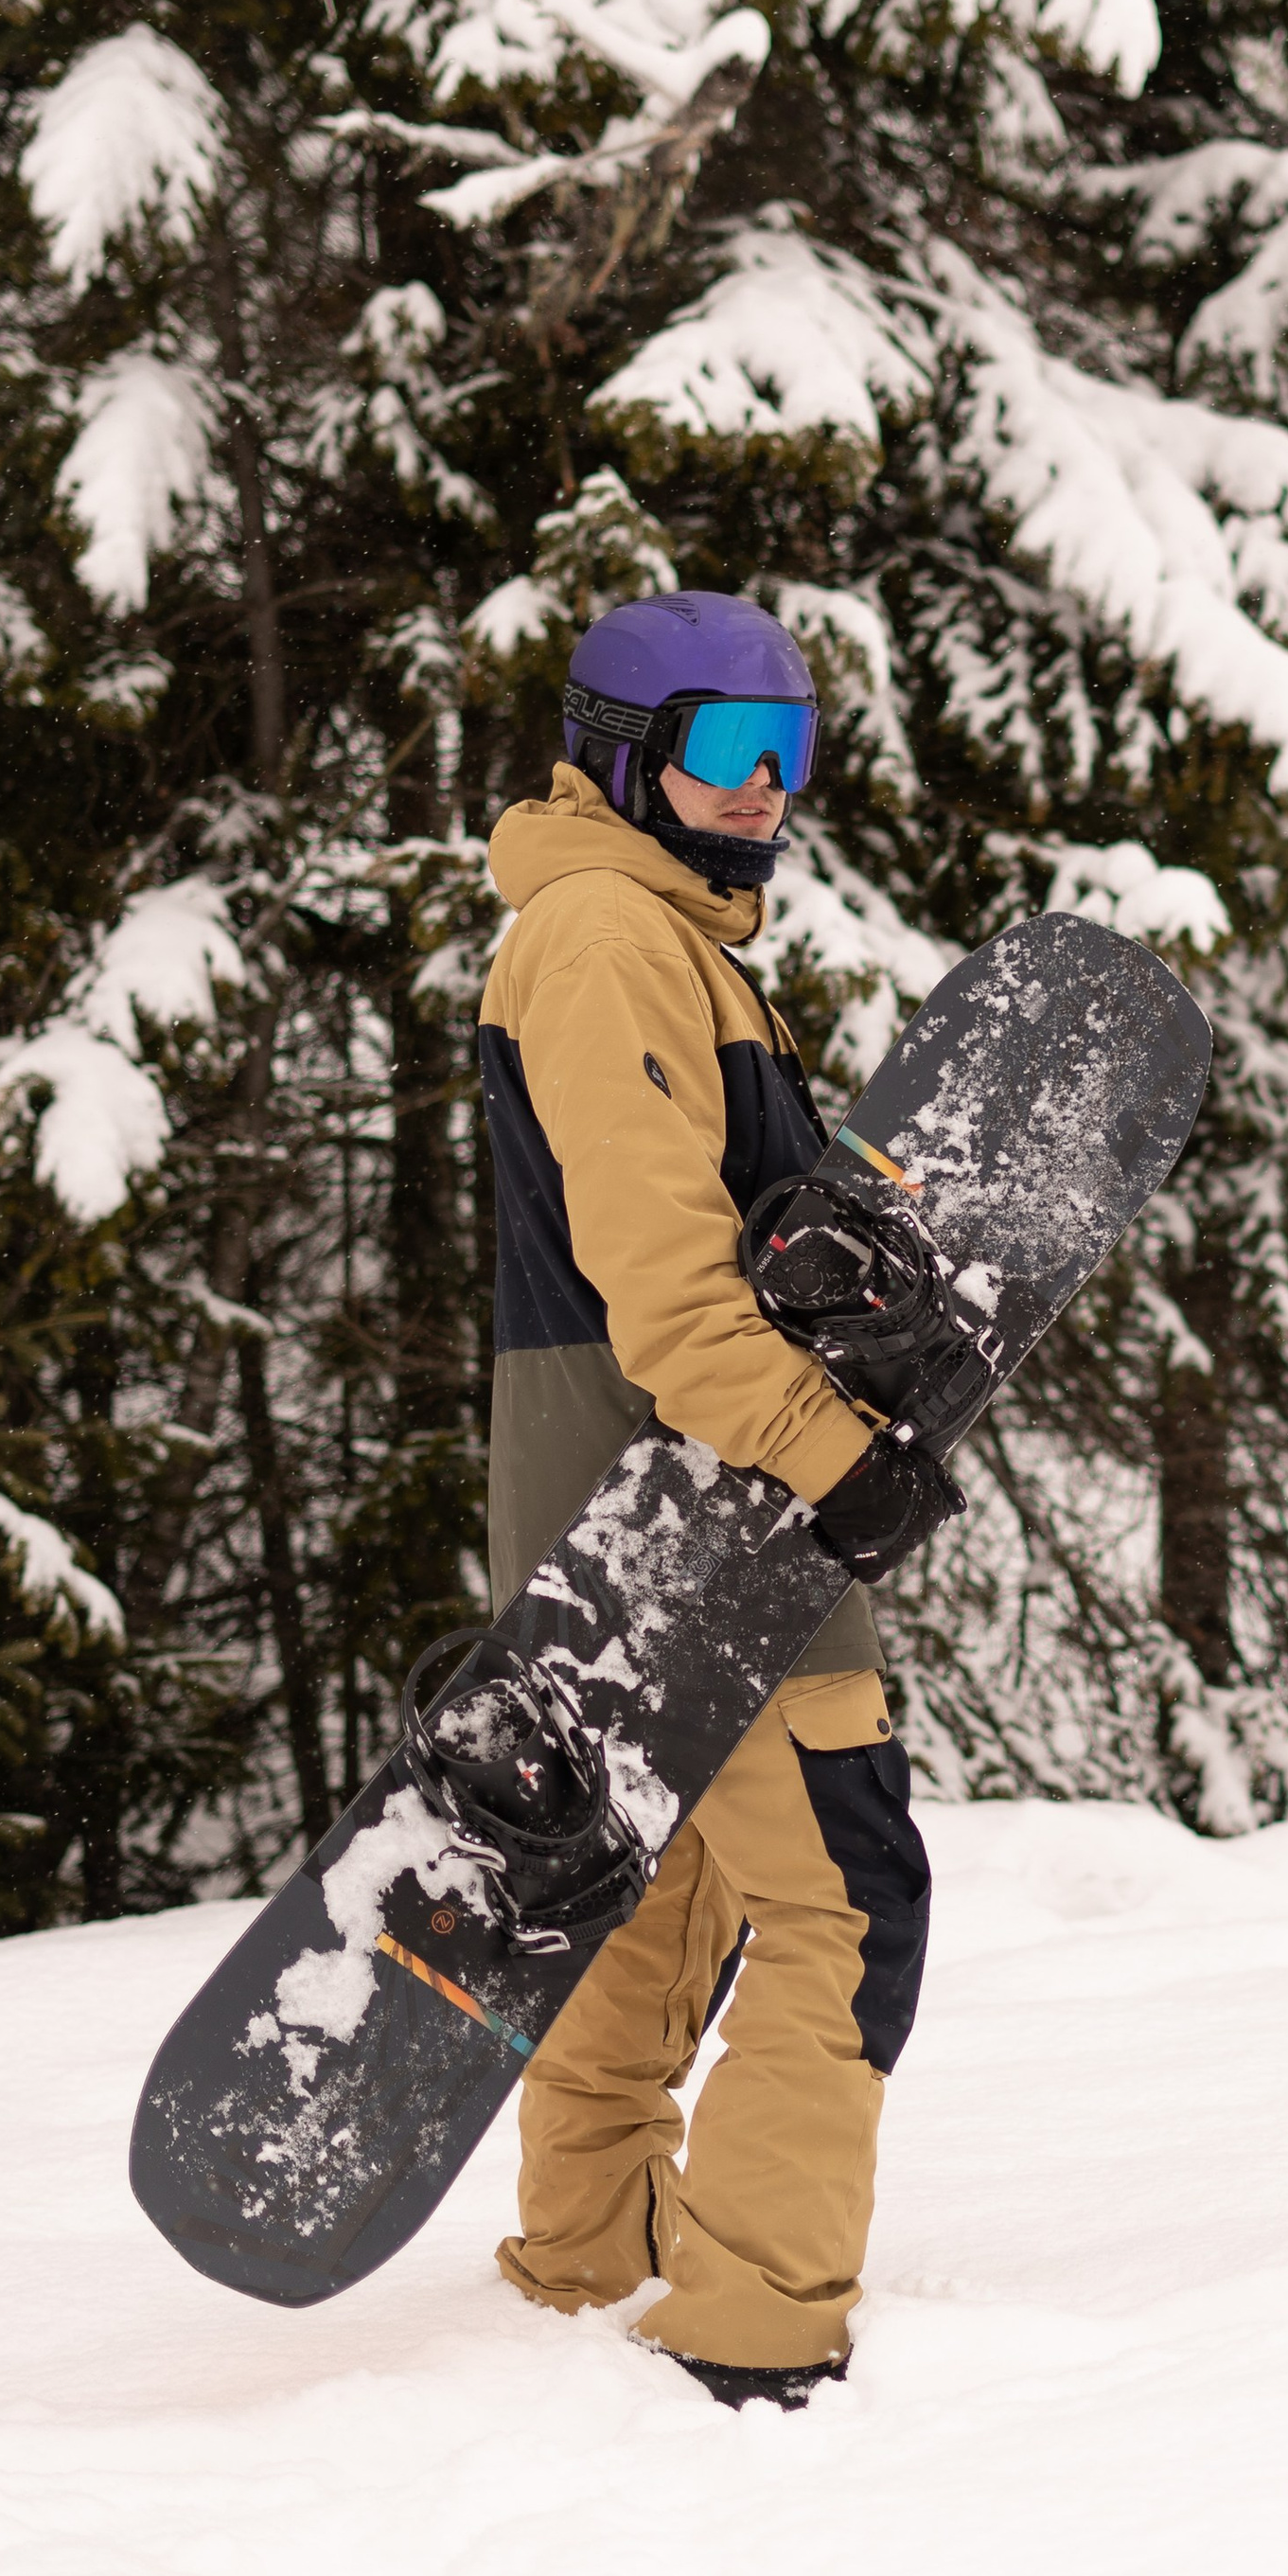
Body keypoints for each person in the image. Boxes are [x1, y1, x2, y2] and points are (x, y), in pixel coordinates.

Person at [475, 590, 957, 2408]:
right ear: (623, 750)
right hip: (693, 1489)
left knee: (668, 1879)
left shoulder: (651, 934)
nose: (766, 792)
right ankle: (757, 2327)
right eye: (728, 751)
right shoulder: (609, 938)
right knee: (846, 1896)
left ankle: (589, 2256)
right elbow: (668, 1291)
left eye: (792, 753)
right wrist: (840, 1458)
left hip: (619, 1474)